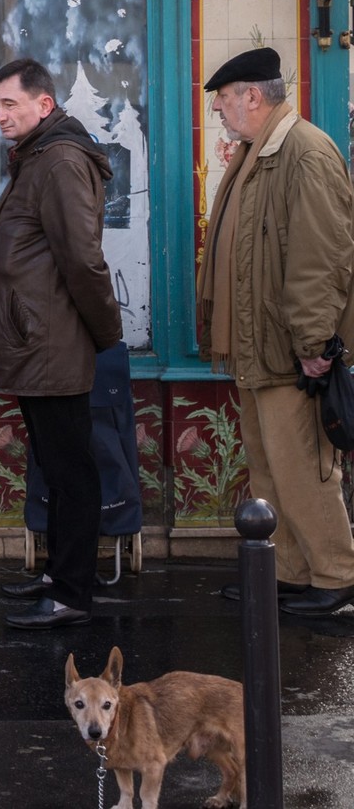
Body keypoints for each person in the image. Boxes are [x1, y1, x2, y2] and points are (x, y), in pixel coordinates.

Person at [196, 46, 354, 616]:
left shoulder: (304, 153)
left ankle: (336, 575)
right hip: (257, 349)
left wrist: (315, 345)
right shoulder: (257, 153)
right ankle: (289, 571)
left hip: (292, 354)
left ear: (252, 97)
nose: (220, 112)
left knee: (304, 468)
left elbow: (321, 258)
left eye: (223, 102)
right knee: (269, 470)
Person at [0, 57, 122, 630]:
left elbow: (82, 259)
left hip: (51, 341)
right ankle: (58, 574)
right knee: (55, 467)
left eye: (10, 104)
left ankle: (72, 594)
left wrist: (104, 334)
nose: (1, 115)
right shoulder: (37, 156)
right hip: (38, 339)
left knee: (71, 469)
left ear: (44, 105)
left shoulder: (58, 160)